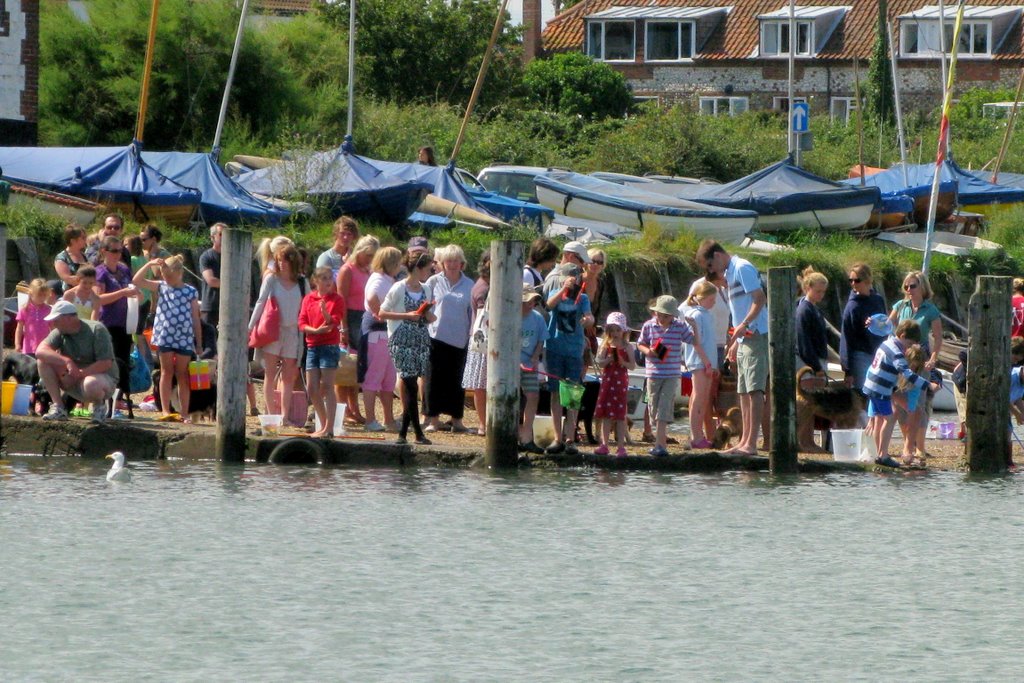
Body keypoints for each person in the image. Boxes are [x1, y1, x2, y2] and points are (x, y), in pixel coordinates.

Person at [698, 239, 768, 456]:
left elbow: (759, 299)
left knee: (755, 389)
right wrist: (736, 342)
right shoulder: (729, 275)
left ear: (717, 256)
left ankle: (751, 444)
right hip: (744, 338)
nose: (711, 271)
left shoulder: (742, 268)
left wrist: (744, 326)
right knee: (744, 391)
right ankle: (745, 440)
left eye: (710, 266)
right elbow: (739, 309)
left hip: (756, 334)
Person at [132, 254, 201, 422]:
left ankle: (184, 412)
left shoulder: (190, 291)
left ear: (180, 273)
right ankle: (164, 409)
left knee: (182, 374)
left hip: (184, 337)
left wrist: (198, 342)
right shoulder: (161, 286)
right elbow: (137, 281)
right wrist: (149, 264)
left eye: (170, 276)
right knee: (166, 372)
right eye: (165, 276)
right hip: (165, 336)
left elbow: (195, 318)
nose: (167, 279)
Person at [863, 320, 939, 465]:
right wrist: (928, 385)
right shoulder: (896, 352)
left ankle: (878, 453)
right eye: (909, 344)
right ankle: (882, 455)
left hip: (873, 386)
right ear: (902, 335)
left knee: (882, 418)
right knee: (889, 419)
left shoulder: (887, 342)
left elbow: (882, 326)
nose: (909, 348)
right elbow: (907, 373)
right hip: (880, 388)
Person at [379, 251, 437, 445]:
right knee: (410, 383)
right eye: (428, 268)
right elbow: (381, 312)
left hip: (420, 337)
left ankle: (404, 433)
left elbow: (429, 316)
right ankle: (416, 432)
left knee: (412, 383)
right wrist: (407, 315)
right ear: (418, 268)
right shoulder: (398, 288)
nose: (430, 272)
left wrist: (428, 316)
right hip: (401, 337)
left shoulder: (426, 289)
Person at [887, 270, 943, 459]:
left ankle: (919, 446)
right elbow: (888, 326)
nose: (909, 289)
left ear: (922, 287)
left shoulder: (930, 310)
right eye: (906, 286)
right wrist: (875, 323)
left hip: (921, 359)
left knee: (919, 402)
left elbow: (938, 337)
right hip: (902, 359)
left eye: (913, 286)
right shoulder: (901, 305)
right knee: (901, 401)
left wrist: (933, 358)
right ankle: (907, 443)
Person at [542, 261, 594, 455]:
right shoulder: (556, 291)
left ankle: (570, 437)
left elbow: (590, 316)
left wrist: (588, 320)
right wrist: (563, 288)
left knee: (572, 394)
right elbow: (548, 305)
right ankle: (557, 437)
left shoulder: (583, 298)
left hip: (573, 351)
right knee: (555, 392)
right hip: (554, 348)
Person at [36, 300, 118, 422]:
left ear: (68, 318)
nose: (53, 323)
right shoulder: (59, 332)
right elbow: (40, 351)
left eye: (56, 320)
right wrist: (67, 361)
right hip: (71, 378)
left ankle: (99, 408)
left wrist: (79, 373)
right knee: (43, 361)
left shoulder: (96, 329)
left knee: (90, 384)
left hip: (100, 378)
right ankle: (58, 407)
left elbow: (106, 363)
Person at [637, 295, 700, 457]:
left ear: (673, 315)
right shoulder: (649, 326)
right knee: (653, 406)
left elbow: (693, 341)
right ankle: (659, 440)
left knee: (664, 407)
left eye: (667, 316)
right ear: (655, 312)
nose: (663, 318)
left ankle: (660, 444)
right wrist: (648, 351)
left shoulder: (679, 326)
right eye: (660, 315)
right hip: (653, 373)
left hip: (671, 374)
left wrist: (694, 327)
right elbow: (640, 343)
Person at [249, 244, 305, 424]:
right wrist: (250, 328)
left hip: (293, 332)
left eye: (284, 260)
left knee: (289, 376)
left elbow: (308, 304)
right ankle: (271, 414)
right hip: (273, 330)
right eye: (278, 260)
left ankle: (285, 416)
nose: (281, 264)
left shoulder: (302, 282)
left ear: (292, 261)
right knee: (270, 373)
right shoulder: (271, 280)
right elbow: (260, 302)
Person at [424, 244, 475, 433]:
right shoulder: (433, 282)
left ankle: (457, 420)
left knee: (457, 381)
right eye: (448, 261)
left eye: (456, 261)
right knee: (433, 379)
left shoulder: (470, 285)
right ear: (442, 263)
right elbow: (425, 307)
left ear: (462, 263)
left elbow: (473, 313)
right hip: (436, 337)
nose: (452, 264)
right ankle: (433, 419)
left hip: (460, 339)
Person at [298, 267, 346, 438]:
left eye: (329, 278)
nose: (327, 282)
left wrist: (325, 311)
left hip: (329, 347)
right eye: (323, 278)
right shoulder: (308, 299)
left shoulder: (337, 299)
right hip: (313, 345)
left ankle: (329, 427)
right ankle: (324, 423)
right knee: (311, 387)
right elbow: (302, 322)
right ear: (315, 281)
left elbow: (333, 322)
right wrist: (315, 330)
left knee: (327, 385)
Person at [94, 234, 139, 409]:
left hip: (125, 323)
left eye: (120, 250)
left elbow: (131, 288)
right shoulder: (100, 272)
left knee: (123, 363)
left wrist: (136, 293)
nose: (117, 254)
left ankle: (118, 401)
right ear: (104, 251)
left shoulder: (124, 270)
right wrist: (121, 293)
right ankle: (104, 402)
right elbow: (99, 298)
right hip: (108, 323)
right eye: (113, 251)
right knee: (108, 363)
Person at [336, 234, 378, 423]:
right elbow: (341, 300)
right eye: (368, 255)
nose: (370, 259)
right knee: (345, 365)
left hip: (362, 319)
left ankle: (354, 408)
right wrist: (342, 327)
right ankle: (343, 410)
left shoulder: (367, 271)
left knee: (356, 367)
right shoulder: (348, 270)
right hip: (350, 317)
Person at [361, 246, 402, 432]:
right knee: (374, 377)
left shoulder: (388, 279)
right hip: (377, 334)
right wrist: (380, 313)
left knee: (388, 378)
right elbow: (371, 297)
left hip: (388, 334)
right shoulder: (378, 279)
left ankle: (389, 419)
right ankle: (370, 419)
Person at [794, 267, 831, 451]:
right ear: (807, 287)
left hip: (814, 360)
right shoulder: (804, 310)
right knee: (807, 404)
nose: (821, 295)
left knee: (812, 404)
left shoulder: (814, 309)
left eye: (823, 292)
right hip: (808, 363)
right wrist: (815, 366)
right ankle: (804, 441)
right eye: (818, 291)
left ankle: (808, 441)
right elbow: (803, 342)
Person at [681, 282, 718, 450]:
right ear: (702, 298)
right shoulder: (696, 315)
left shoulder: (706, 315)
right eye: (711, 299)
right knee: (698, 397)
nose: (714, 302)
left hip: (707, 361)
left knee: (703, 398)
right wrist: (707, 362)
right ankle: (696, 436)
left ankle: (698, 434)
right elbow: (696, 342)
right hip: (699, 361)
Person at [593, 311, 636, 457]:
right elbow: (599, 362)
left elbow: (632, 366)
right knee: (605, 414)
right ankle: (604, 444)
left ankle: (620, 447)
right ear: (608, 331)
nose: (615, 333)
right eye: (612, 330)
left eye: (618, 330)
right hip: (607, 381)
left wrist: (622, 362)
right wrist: (609, 360)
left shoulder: (627, 346)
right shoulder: (606, 344)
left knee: (619, 414)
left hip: (620, 382)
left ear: (623, 330)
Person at [840, 263, 887, 390]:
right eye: (851, 280)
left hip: (879, 353)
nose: (853, 284)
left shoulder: (878, 300)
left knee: (880, 392)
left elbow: (886, 326)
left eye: (857, 280)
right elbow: (846, 338)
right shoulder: (852, 306)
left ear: (867, 280)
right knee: (864, 393)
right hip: (860, 355)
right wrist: (847, 370)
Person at [461, 251, 490, 436]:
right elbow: (483, 317)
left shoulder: (489, 284)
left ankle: (485, 422)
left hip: (485, 339)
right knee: (480, 385)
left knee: (484, 384)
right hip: (482, 340)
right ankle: (483, 423)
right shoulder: (483, 287)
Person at [518, 286, 548, 454]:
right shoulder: (511, 317)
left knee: (533, 396)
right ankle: (515, 433)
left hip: (530, 364)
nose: (531, 304)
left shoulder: (537, 318)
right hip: (511, 365)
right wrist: (516, 362)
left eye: (532, 301)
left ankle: (527, 436)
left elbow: (540, 341)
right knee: (512, 398)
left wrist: (535, 358)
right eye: (527, 301)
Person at [893, 345, 928, 466]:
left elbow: (915, 402)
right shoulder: (898, 367)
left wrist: (911, 409)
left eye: (916, 366)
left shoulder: (921, 374)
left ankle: (916, 447)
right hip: (896, 389)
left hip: (915, 389)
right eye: (911, 365)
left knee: (918, 412)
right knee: (897, 413)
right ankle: (908, 446)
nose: (913, 368)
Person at [15, 278, 52, 356]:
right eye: (39, 295)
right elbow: (19, 329)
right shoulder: (25, 310)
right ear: (31, 294)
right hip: (29, 347)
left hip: (45, 347)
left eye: (44, 295)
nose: (42, 298)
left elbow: (53, 328)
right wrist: (17, 344)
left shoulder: (49, 310)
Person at [316, 216, 359, 283]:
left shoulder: (356, 257)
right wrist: (346, 265)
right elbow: (322, 285)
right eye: (342, 233)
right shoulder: (326, 258)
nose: (345, 237)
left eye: (349, 234)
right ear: (336, 234)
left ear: (353, 237)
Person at [199, 223, 225, 326]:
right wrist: (232, 286)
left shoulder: (233, 258)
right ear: (212, 237)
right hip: (211, 307)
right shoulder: (206, 257)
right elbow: (211, 281)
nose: (225, 237)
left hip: (228, 306)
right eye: (221, 234)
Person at [54, 223, 90, 293]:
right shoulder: (61, 258)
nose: (85, 239)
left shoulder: (84, 256)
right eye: (83, 237)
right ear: (73, 240)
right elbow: (69, 280)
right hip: (70, 296)